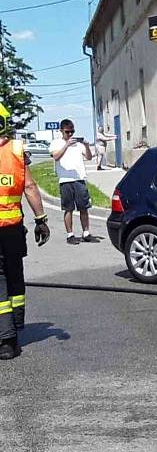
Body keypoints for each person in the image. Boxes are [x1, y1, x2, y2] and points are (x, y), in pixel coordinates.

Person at [0, 128, 51, 360]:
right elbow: (29, 187)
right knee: (14, 273)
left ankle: (6, 339)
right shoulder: (17, 150)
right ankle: (16, 323)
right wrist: (41, 219)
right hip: (12, 227)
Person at [48, 119, 94, 244]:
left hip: (79, 179)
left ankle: (86, 232)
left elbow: (89, 157)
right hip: (65, 180)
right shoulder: (56, 143)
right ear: (61, 131)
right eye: (68, 132)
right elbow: (56, 156)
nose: (70, 134)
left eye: (72, 131)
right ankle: (70, 234)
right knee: (68, 209)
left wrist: (87, 145)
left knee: (83, 207)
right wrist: (66, 145)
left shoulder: (78, 144)